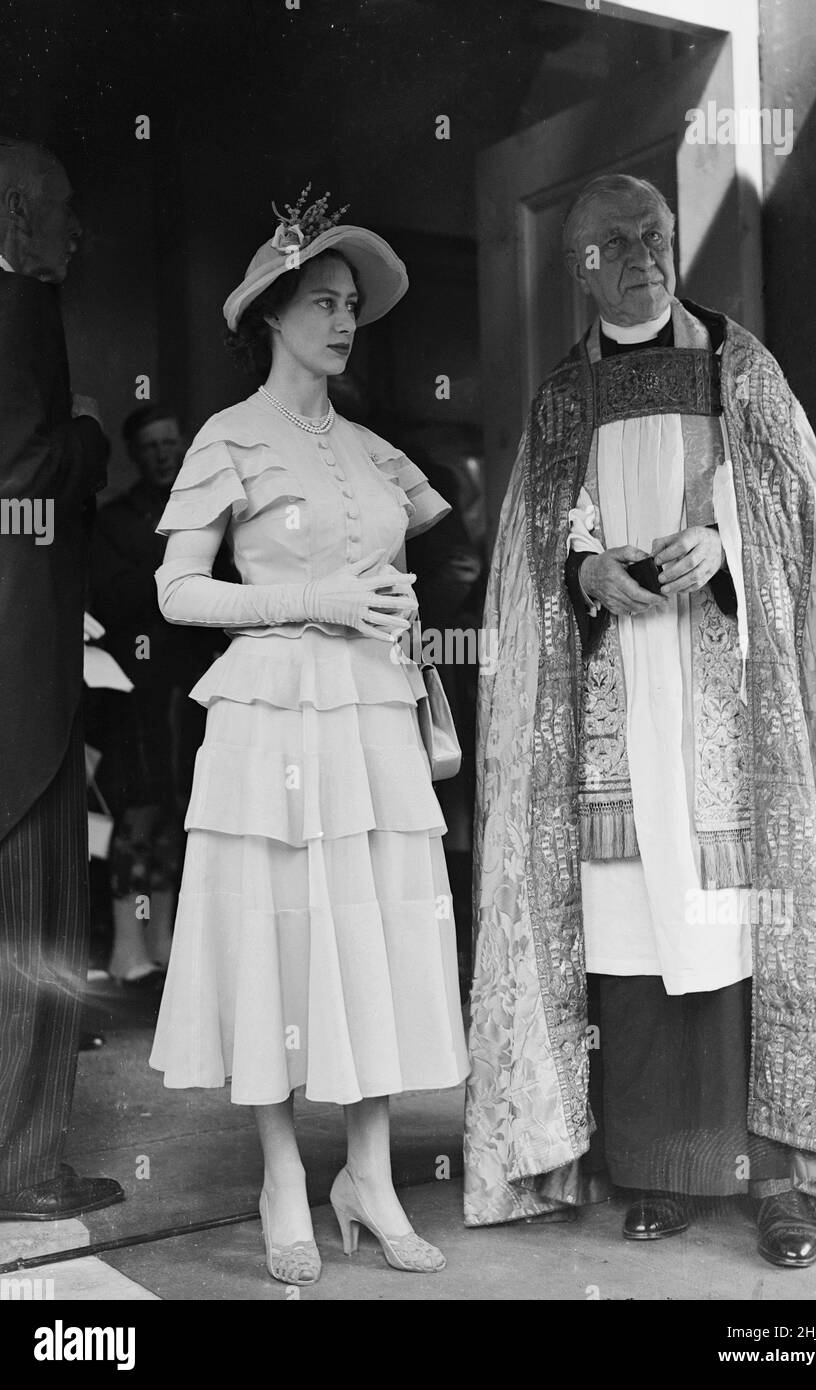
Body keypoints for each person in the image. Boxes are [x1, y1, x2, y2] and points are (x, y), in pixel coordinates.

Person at [464, 173, 816, 1267]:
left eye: (655, 236)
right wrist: (584, 573)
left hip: (732, 709)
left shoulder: (738, 370)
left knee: (749, 930)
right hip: (615, 710)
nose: (647, 257)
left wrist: (728, 552)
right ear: (579, 268)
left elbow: (801, 523)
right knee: (631, 935)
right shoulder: (562, 399)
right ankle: (655, 1167)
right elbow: (529, 561)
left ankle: (780, 1184)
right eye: (617, 244)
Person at [148, 190, 469, 1285]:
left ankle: (368, 1175)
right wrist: (309, 600)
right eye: (323, 303)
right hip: (272, 713)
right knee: (280, 940)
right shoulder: (226, 438)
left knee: (371, 930)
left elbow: (410, 570)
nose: (343, 321)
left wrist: (394, 614)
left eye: (351, 306)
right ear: (272, 316)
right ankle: (283, 1172)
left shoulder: (379, 453)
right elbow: (179, 592)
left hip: (373, 715)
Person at [0, 137, 123, 1222]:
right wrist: (87, 442)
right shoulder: (14, 310)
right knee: (29, 930)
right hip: (15, 676)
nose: (77, 234)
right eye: (67, 210)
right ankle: (16, 1166)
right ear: (20, 216)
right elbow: (24, 482)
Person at [89, 403, 231, 984]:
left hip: (193, 682)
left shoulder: (207, 512)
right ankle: (127, 947)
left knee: (181, 810)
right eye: (150, 444)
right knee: (138, 812)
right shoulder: (114, 520)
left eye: (170, 441)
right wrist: (177, 578)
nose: (162, 452)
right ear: (135, 453)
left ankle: (164, 939)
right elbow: (118, 598)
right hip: (136, 688)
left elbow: (225, 588)